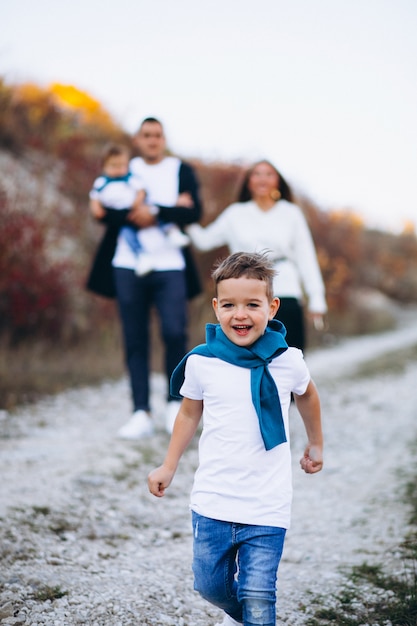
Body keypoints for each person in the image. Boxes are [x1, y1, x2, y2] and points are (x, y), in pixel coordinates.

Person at [148, 251, 324, 626]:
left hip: (267, 504)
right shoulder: (202, 362)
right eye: (229, 305)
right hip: (214, 500)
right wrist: (168, 464)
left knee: (260, 596)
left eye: (252, 304)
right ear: (215, 307)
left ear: (272, 307)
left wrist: (316, 443)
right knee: (210, 586)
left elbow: (307, 394)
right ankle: (238, 616)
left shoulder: (287, 360)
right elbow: (188, 412)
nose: (239, 314)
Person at [87, 118, 202, 438]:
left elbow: (195, 212)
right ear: (137, 140)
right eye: (146, 135)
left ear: (164, 139)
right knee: (134, 337)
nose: (152, 140)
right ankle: (140, 412)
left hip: (171, 265)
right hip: (127, 264)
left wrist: (159, 212)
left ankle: (173, 404)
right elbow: (102, 210)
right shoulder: (124, 166)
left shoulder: (181, 170)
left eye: (158, 135)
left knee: (174, 332)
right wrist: (142, 212)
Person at [186, 160, 327, 351]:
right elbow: (203, 241)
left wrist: (316, 297)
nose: (263, 179)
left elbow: (306, 256)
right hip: (245, 293)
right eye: (257, 174)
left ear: (277, 181)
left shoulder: (290, 213)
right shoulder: (235, 214)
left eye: (269, 174)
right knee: (247, 357)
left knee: (289, 356)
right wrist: (181, 215)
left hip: (285, 289)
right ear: (248, 181)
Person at [89, 143, 191, 277]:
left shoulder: (130, 178)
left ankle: (171, 231)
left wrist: (137, 203)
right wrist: (96, 209)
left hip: (139, 207)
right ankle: (142, 256)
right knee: (128, 234)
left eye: (121, 166)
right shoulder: (101, 182)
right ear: (104, 166)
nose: (118, 170)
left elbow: (141, 191)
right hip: (124, 218)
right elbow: (94, 197)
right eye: (113, 166)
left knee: (155, 211)